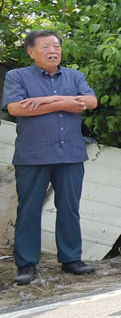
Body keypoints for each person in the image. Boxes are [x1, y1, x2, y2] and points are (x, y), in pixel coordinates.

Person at [4, 29, 98, 287]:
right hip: (33, 154)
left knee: (69, 207)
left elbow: (91, 101)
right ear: (31, 52)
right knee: (29, 209)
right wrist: (62, 103)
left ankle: (71, 259)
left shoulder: (74, 76)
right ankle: (26, 264)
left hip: (70, 153)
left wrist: (47, 100)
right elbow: (16, 107)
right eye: (45, 46)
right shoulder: (17, 76)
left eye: (56, 46)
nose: (53, 51)